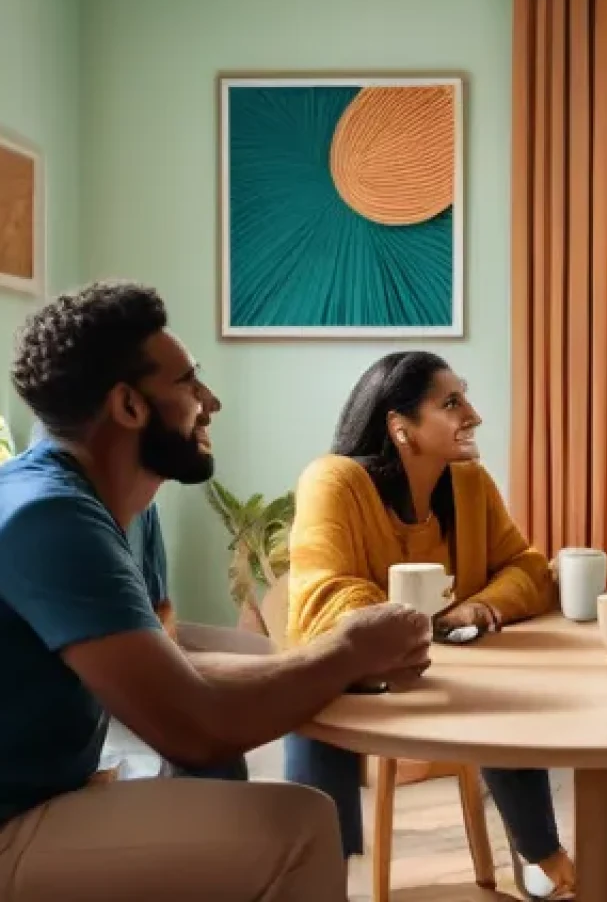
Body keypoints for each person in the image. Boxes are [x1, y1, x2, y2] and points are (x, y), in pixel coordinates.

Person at [0, 280, 432, 901]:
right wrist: (348, 651)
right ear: (128, 406)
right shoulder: (48, 516)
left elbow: (166, 666)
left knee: (271, 664)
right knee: (301, 826)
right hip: (13, 818)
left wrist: (332, 661)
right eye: (188, 383)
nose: (211, 402)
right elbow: (191, 727)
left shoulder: (124, 502)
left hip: (50, 787)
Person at [285, 350, 574, 901]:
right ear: (401, 429)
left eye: (464, 396)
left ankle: (540, 855)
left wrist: (480, 608)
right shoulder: (333, 481)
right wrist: (414, 626)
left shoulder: (469, 485)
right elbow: (323, 598)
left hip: (447, 677)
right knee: (314, 699)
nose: (474, 413)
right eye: (451, 402)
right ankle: (322, 878)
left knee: (504, 695)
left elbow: (528, 569)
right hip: (352, 680)